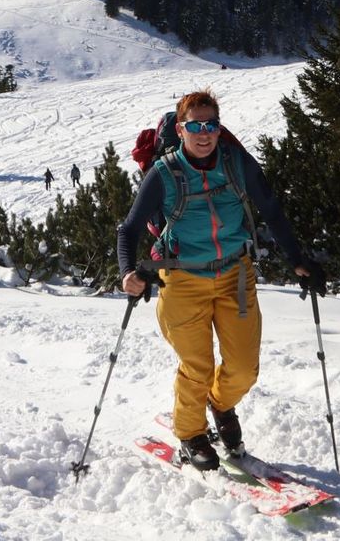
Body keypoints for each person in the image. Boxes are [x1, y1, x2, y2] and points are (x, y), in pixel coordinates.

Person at [116, 89, 322, 472]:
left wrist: (298, 260)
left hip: (234, 275)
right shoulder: (163, 174)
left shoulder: (235, 162)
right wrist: (128, 271)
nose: (204, 133)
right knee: (197, 366)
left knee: (244, 368)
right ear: (181, 129)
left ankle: (220, 404)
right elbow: (128, 229)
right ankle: (190, 434)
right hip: (182, 280)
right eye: (195, 126)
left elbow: (271, 210)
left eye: (211, 125)